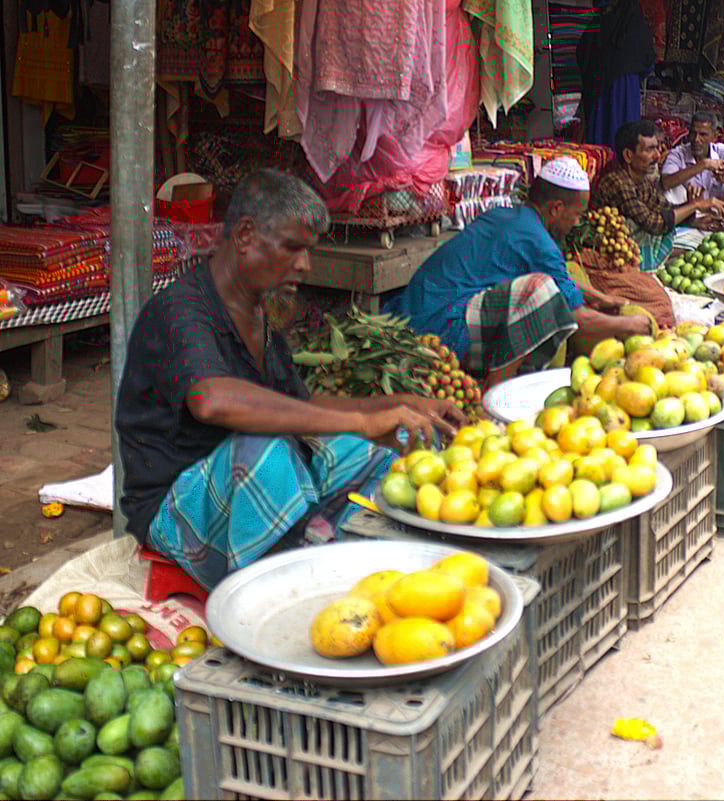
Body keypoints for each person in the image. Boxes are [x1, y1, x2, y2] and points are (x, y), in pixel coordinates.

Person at [115, 169, 469, 590]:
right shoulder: (180, 310)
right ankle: (275, 589)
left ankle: (345, 556)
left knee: (399, 444)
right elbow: (212, 400)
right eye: (292, 248)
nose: (305, 264)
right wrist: (360, 421)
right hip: (177, 509)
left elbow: (303, 406)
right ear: (245, 235)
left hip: (250, 485)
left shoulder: (258, 316)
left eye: (308, 250)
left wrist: (400, 406)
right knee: (266, 449)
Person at [390, 158, 649, 388]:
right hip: (441, 332)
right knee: (540, 290)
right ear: (556, 208)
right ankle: (494, 395)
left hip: (415, 316)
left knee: (548, 287)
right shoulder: (540, 244)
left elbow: (559, 282)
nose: (577, 223)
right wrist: (628, 325)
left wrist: (599, 297)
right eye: (577, 215)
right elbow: (576, 316)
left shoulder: (505, 216)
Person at [591, 119, 724, 270]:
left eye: (657, 148)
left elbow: (663, 207)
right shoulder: (617, 182)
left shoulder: (640, 180)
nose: (657, 156)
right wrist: (695, 205)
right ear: (628, 156)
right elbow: (654, 223)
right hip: (607, 250)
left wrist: (693, 218)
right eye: (650, 150)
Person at [661, 111, 724, 229]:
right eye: (693, 133)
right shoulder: (678, 154)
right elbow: (665, 183)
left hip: (719, 209)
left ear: (714, 137)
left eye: (703, 135)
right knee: (669, 192)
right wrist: (703, 164)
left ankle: (721, 228)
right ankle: (693, 222)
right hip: (690, 211)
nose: (696, 139)